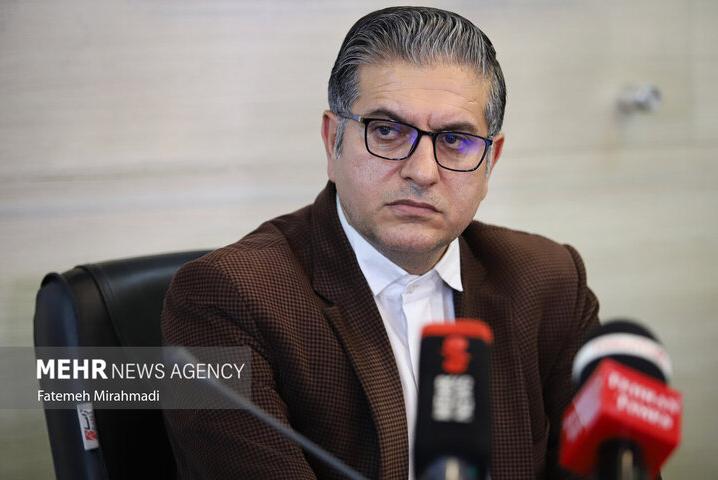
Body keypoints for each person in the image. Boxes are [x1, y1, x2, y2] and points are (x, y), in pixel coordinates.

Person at [162, 6, 599, 479]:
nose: (422, 172)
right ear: (333, 141)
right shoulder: (221, 300)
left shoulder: (549, 280)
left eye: (455, 140)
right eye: (387, 131)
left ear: (490, 161)